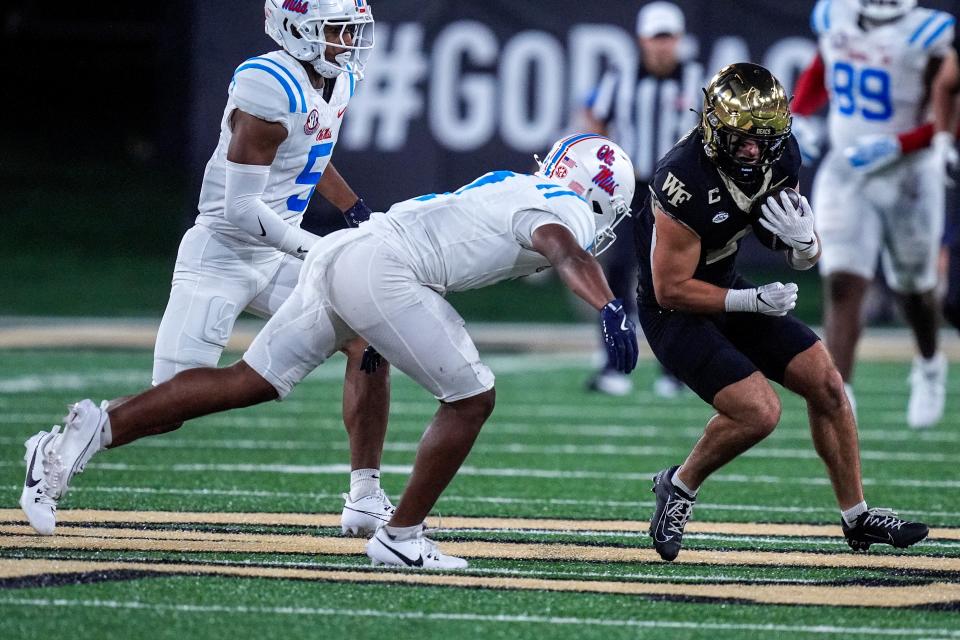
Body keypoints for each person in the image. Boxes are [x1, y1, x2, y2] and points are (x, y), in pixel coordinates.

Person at [20, 134, 640, 569]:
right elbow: (562, 244)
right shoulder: (567, 207)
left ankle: (88, 430)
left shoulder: (517, 182)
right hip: (387, 268)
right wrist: (610, 306)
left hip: (346, 252)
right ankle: (401, 536)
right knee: (472, 396)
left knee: (249, 379)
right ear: (600, 195)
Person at [635, 62, 929, 562]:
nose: (754, 150)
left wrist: (805, 247)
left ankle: (857, 518)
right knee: (758, 411)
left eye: (763, 140)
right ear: (712, 129)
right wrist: (750, 300)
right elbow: (670, 289)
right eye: (742, 140)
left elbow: (780, 231)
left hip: (726, 284)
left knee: (828, 385)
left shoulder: (780, 154)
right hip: (675, 310)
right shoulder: (682, 177)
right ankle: (678, 487)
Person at [143, 0, 394, 536]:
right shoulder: (266, 82)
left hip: (277, 255)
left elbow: (311, 150)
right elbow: (238, 209)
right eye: (337, 30)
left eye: (351, 29)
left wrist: (354, 211)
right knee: (165, 407)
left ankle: (366, 496)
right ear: (297, 29)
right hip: (223, 253)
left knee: (368, 334)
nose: (349, 41)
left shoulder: (336, 81)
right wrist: (317, 248)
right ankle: (67, 443)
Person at [791, 0, 959, 429]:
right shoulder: (836, 16)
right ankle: (838, 393)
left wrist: (904, 144)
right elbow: (820, 71)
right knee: (843, 280)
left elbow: (950, 103)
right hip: (847, 169)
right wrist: (798, 116)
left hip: (909, 175)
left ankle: (928, 364)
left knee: (914, 290)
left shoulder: (930, 33)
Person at [581, 0, 701, 398]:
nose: (662, 46)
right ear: (642, 40)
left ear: (679, 40)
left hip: (678, 191)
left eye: (668, 38)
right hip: (631, 187)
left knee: (676, 277)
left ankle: (675, 367)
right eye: (656, 38)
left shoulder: (699, 78)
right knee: (618, 271)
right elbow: (594, 119)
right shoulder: (621, 76)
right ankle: (615, 359)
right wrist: (601, 164)